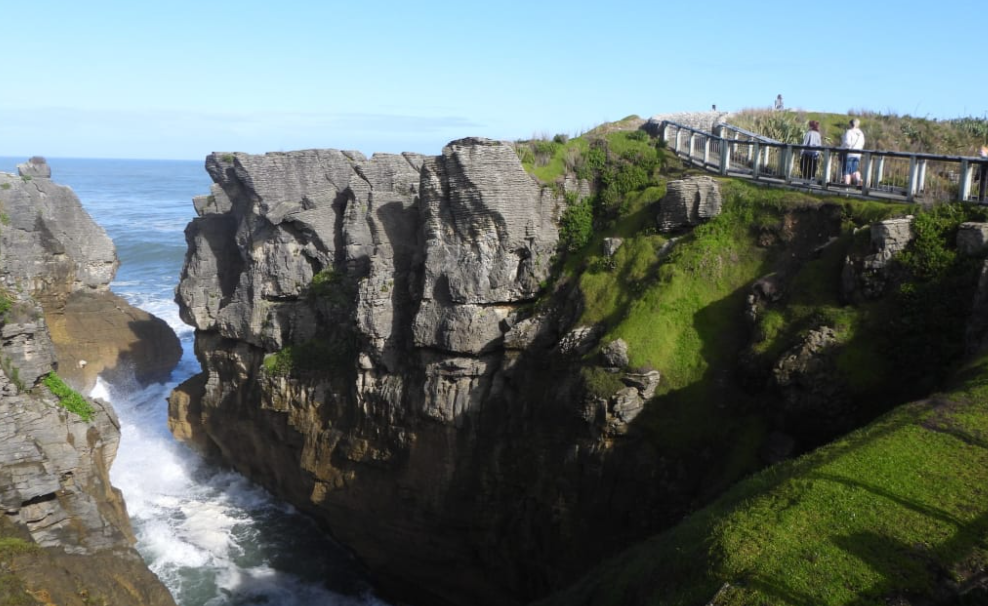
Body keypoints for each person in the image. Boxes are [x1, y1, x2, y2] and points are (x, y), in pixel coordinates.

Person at [841, 118, 865, 185]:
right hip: (857, 154)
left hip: (849, 154)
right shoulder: (861, 133)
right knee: (854, 171)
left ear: (851, 124)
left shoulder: (849, 132)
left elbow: (847, 143)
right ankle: (858, 180)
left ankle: (846, 186)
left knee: (846, 171)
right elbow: (862, 143)